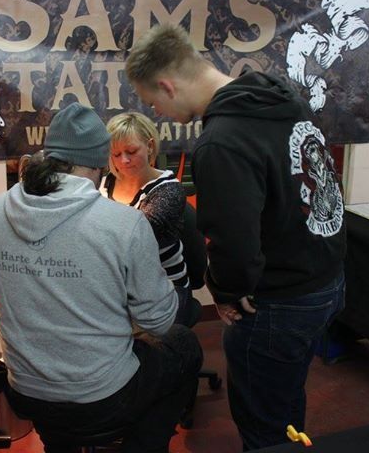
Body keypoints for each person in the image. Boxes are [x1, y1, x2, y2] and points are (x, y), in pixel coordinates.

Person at [126, 24, 347, 450]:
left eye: (153, 102)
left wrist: (226, 291)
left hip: (280, 300)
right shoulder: (285, 100)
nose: (157, 113)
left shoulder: (221, 142)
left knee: (263, 424)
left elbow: (232, 241)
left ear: (168, 85)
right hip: (327, 280)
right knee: (286, 398)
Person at [0, 102, 203, 453]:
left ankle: (60, 445)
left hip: (24, 393)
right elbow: (158, 322)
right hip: (102, 398)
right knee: (184, 345)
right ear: (100, 164)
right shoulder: (124, 224)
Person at [100, 112, 191, 324]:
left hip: (164, 289)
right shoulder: (104, 184)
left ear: (149, 146)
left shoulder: (169, 191)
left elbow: (135, 241)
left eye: (131, 151)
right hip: (117, 287)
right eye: (116, 154)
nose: (124, 160)